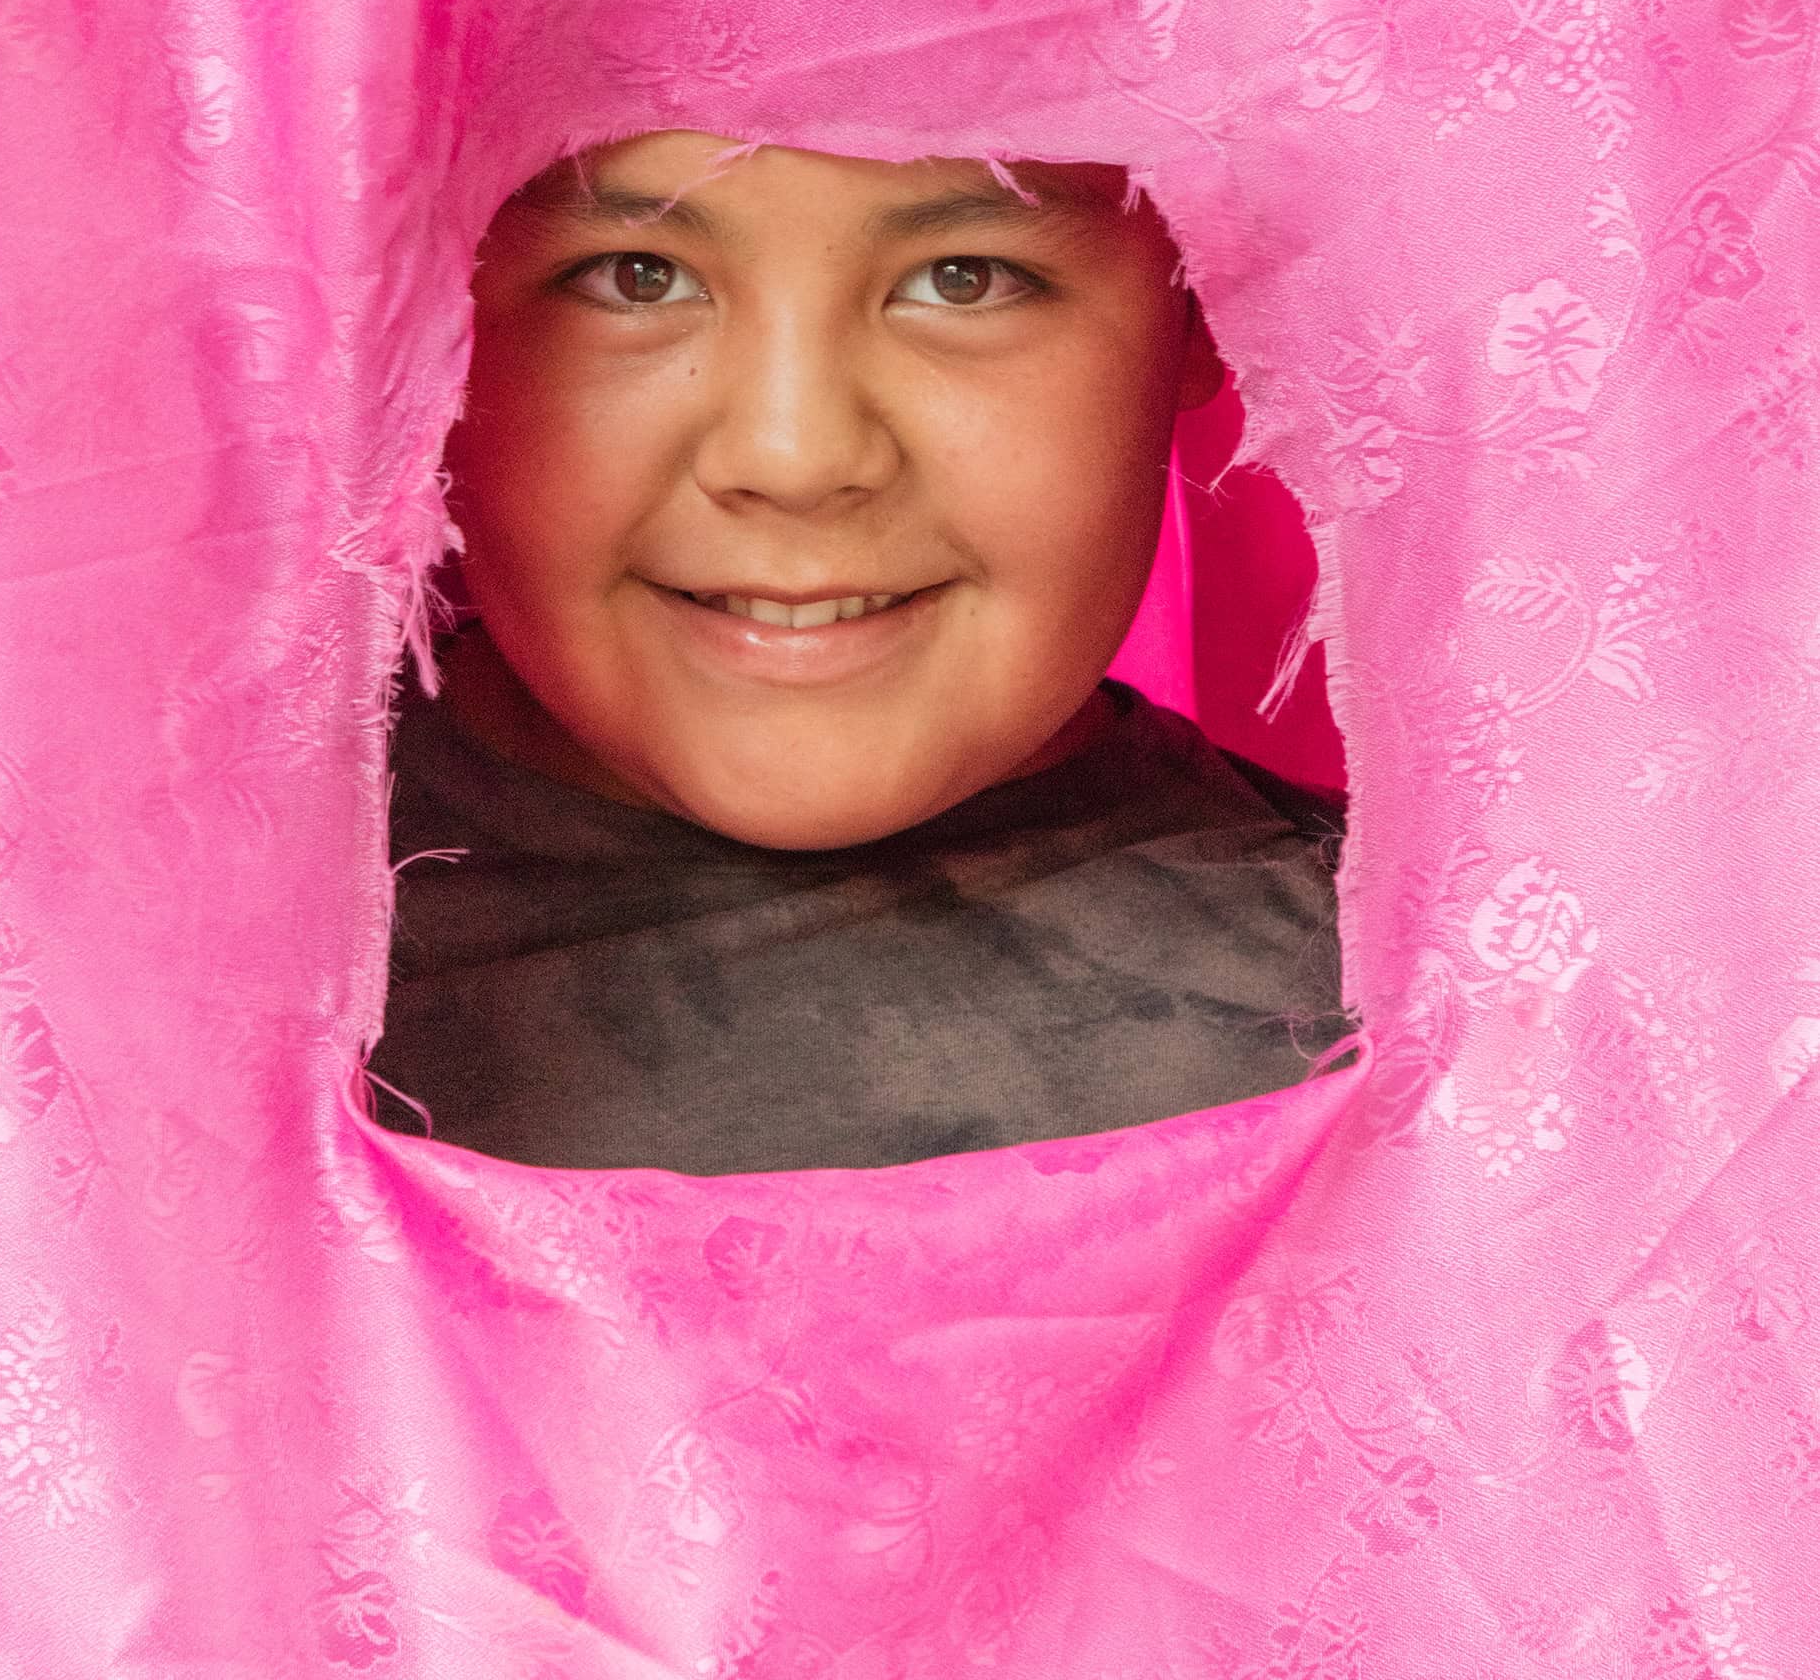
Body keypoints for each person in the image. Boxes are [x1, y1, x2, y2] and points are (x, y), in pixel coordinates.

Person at [367, 129, 1350, 1174]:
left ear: (1200, 305)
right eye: (637, 277)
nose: (795, 456)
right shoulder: (201, 973)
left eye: (964, 280)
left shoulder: (1459, 1032)